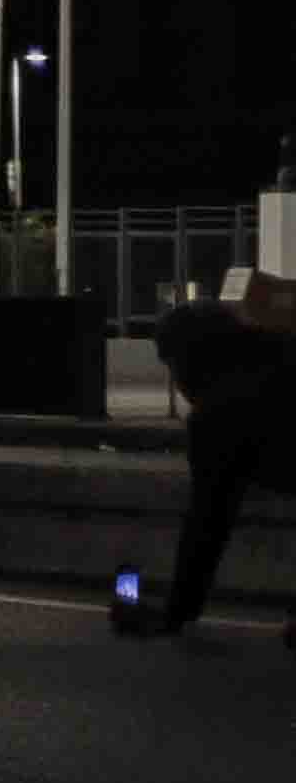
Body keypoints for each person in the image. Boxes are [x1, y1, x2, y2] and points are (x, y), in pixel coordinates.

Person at [114, 273, 291, 644]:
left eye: (173, 367)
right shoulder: (279, 352)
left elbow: (208, 524)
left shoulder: (220, 412)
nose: (177, 383)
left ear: (190, 360)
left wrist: (176, 615)